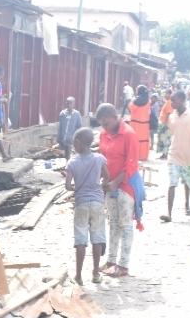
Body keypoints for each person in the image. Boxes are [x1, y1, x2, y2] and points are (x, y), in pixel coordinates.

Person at [96, 103, 139, 278]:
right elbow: (102, 159)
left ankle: (124, 265)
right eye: (102, 125)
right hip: (109, 186)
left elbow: (132, 165)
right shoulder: (104, 134)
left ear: (115, 117)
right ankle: (111, 260)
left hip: (125, 187)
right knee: (113, 223)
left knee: (125, 225)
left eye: (106, 123)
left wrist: (116, 182)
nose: (104, 127)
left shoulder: (129, 134)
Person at [64, 127, 108, 285]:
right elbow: (107, 177)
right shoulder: (99, 159)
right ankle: (96, 274)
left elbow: (68, 186)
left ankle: (78, 277)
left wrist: (78, 187)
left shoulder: (72, 162)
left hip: (81, 203)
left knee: (81, 240)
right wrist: (98, 185)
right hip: (97, 203)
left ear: (78, 143)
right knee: (97, 238)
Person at [159, 89, 190, 222]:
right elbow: (171, 135)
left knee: (188, 183)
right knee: (172, 183)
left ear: (181, 100)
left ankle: (187, 204)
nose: (171, 103)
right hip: (174, 155)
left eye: (173, 100)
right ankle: (169, 212)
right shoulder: (172, 116)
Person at [127, 85, 153, 160]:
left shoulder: (136, 100)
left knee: (135, 138)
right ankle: (143, 155)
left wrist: (133, 99)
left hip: (136, 123)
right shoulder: (148, 101)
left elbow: (131, 107)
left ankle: (135, 155)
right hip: (145, 123)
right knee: (143, 139)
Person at [57, 96, 83, 162]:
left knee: (68, 150)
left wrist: (74, 134)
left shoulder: (76, 114)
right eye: (67, 103)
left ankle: (69, 165)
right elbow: (60, 126)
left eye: (70, 104)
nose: (69, 105)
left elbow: (79, 125)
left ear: (74, 104)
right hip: (63, 137)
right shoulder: (63, 113)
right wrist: (58, 136)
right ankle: (68, 163)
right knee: (66, 151)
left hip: (71, 137)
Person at [156, 89, 174, 159]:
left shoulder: (169, 102)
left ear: (170, 94)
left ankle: (165, 154)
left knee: (165, 139)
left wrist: (164, 123)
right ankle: (164, 153)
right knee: (163, 139)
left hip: (166, 124)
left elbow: (168, 114)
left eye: (166, 93)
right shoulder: (167, 102)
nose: (165, 95)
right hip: (164, 123)